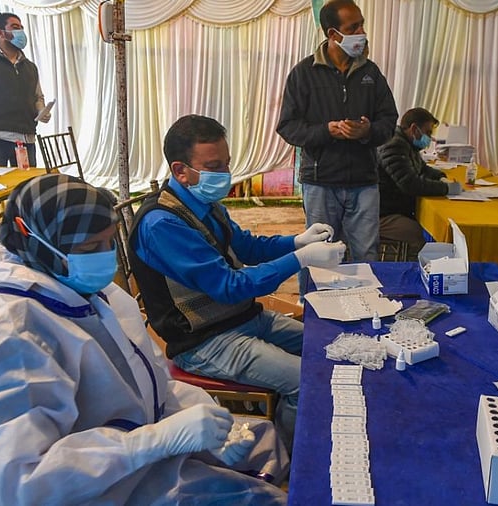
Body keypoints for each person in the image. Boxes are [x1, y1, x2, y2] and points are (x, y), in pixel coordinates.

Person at [0, 174, 289, 505]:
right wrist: (155, 442)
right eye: (92, 247)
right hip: (86, 487)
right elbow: (23, 483)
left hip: (121, 457)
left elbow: (144, 380)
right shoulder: (4, 336)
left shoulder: (78, 289)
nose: (106, 259)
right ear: (36, 240)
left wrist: (193, 423)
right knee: (262, 497)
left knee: (263, 438)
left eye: (110, 243)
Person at [129, 115, 346, 450]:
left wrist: (297, 242)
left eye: (226, 163)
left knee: (331, 343)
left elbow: (246, 247)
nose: (224, 174)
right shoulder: (162, 224)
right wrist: (300, 260)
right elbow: (229, 285)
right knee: (308, 381)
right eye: (213, 166)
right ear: (180, 170)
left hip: (243, 318)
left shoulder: (205, 204)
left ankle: (316, 430)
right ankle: (290, 461)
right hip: (205, 341)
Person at [277, 0, 398, 265]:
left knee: (366, 254)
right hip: (320, 183)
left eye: (362, 24)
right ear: (333, 34)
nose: (362, 32)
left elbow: (389, 122)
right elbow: (287, 127)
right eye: (354, 27)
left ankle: (367, 306)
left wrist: (367, 131)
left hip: (364, 181)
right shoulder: (303, 74)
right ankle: (312, 304)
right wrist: (326, 131)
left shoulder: (371, 73)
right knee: (320, 254)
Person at [0, 12, 51, 168]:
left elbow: (38, 96)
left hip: (27, 138)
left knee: (28, 188)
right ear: (0, 32)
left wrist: (41, 111)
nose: (21, 32)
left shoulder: (30, 67)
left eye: (21, 27)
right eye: (15, 27)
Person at [376, 107, 461, 255]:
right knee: (418, 233)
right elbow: (410, 184)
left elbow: (422, 168)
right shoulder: (393, 145)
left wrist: (441, 177)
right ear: (414, 128)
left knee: (429, 227)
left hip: (396, 208)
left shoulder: (407, 143)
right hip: (382, 213)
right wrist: (446, 189)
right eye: (428, 132)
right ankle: (417, 268)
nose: (429, 138)